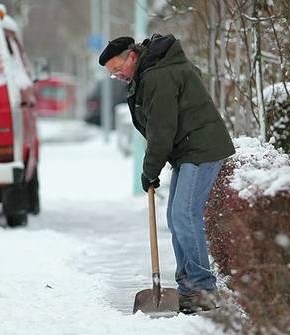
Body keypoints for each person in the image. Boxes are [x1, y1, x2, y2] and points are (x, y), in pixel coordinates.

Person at [99, 34, 235, 313]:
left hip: (201, 149)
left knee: (185, 217)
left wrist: (149, 171)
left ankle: (203, 289)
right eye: (113, 74)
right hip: (188, 151)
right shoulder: (151, 72)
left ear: (132, 57)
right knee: (176, 218)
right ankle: (188, 287)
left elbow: (161, 132)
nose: (118, 75)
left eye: (117, 69)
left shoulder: (159, 76)